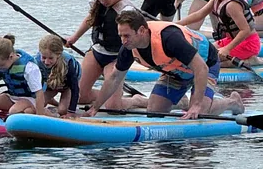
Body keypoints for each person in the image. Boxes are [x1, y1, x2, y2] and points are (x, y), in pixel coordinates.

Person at [83, 9, 243, 119]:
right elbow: (114, 78)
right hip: (177, 72)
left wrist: (196, 105)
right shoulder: (128, 48)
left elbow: (201, 68)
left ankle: (232, 102)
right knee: (154, 111)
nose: (123, 41)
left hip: (206, 64)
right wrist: (95, 107)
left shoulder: (169, 38)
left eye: (126, 36)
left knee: (200, 111)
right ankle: (185, 101)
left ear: (142, 31)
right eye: (121, 36)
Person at [65, 0, 134, 112]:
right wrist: (74, 37)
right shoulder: (98, 1)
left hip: (115, 57)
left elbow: (132, 38)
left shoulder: (126, 10)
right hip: (97, 52)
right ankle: (106, 95)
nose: (102, 1)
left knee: (113, 107)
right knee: (79, 97)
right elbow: (91, 18)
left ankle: (135, 100)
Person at [178, 0, 263, 66]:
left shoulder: (232, 5)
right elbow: (199, 14)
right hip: (231, 40)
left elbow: (245, 30)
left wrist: (227, 49)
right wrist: (176, 24)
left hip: (248, 43)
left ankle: (251, 61)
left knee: (210, 61)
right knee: (201, 54)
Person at [0, 34, 45, 115]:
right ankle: (18, 110)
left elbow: (39, 93)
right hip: (11, 96)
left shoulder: (29, 67)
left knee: (13, 111)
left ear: (11, 56)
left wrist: (39, 116)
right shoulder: (0, 64)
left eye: (1, 65)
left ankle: (34, 111)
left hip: (30, 99)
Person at [36, 34, 82, 117]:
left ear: (58, 55)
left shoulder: (68, 63)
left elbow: (75, 88)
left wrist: (71, 112)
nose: (46, 62)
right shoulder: (36, 61)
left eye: (50, 58)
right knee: (38, 105)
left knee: (62, 110)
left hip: (67, 86)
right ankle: (51, 100)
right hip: (51, 83)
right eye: (44, 57)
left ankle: (59, 102)